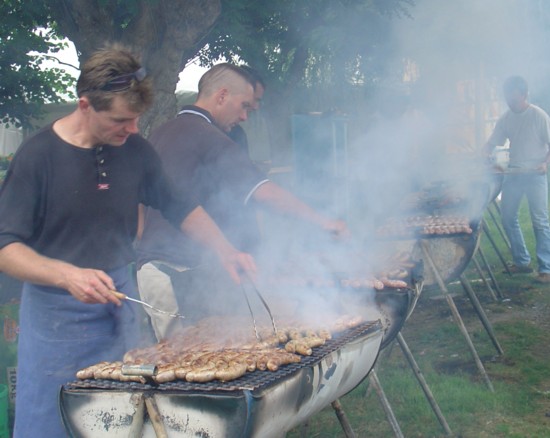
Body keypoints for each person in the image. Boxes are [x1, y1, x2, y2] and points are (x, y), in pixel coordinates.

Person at [0, 47, 256, 438]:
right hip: (57, 315)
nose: (132, 129)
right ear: (85, 105)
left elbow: (180, 206)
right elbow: (6, 247)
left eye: (136, 118)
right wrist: (66, 275)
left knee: (121, 418)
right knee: (52, 420)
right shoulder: (39, 156)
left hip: (120, 301)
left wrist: (227, 250)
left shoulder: (133, 149)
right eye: (121, 119)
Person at [136, 63, 348, 340]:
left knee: (199, 361)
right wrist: (323, 222)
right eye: (244, 106)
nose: (245, 117)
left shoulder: (162, 132)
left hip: (158, 271)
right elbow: (264, 192)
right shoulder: (209, 136)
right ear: (222, 95)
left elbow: (140, 205)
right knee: (193, 363)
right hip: (177, 273)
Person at [485, 75, 550, 283]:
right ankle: (522, 262)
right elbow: (493, 142)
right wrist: (484, 154)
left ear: (524, 95)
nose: (511, 103)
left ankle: (546, 268)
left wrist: (545, 164)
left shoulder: (539, 116)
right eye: (507, 99)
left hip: (535, 174)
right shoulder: (506, 118)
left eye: (514, 99)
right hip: (514, 173)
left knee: (540, 221)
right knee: (508, 217)